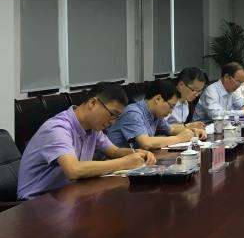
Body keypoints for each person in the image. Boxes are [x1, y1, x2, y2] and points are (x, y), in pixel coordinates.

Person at [16, 82, 156, 200]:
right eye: (112, 114)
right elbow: (74, 170)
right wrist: (124, 163)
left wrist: (137, 153)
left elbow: (114, 151)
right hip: (34, 203)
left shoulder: (93, 128)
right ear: (93, 103)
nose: (113, 122)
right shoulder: (58, 129)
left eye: (116, 118)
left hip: (67, 195)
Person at [106, 80, 196, 151]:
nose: (171, 112)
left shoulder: (155, 114)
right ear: (158, 99)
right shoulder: (133, 113)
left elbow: (170, 129)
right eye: (171, 106)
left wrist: (192, 131)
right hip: (113, 162)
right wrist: (179, 138)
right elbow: (146, 143)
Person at [168, 66, 208, 140]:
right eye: (194, 90)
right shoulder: (167, 101)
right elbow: (161, 128)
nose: (197, 94)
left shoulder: (188, 102)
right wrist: (189, 126)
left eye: (199, 91)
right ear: (181, 85)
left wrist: (195, 130)